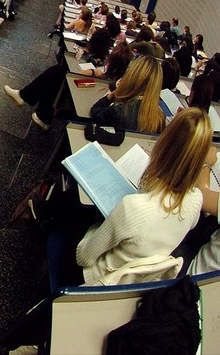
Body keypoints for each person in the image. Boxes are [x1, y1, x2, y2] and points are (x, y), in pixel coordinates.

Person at [73, 108, 211, 285]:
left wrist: (98, 225)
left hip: (98, 279)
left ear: (164, 143)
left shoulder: (132, 207)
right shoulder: (196, 200)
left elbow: (83, 258)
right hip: (135, 282)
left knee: (72, 219)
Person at [89, 54, 165, 133]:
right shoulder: (160, 117)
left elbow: (95, 110)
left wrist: (114, 93)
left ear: (132, 76)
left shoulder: (120, 111)